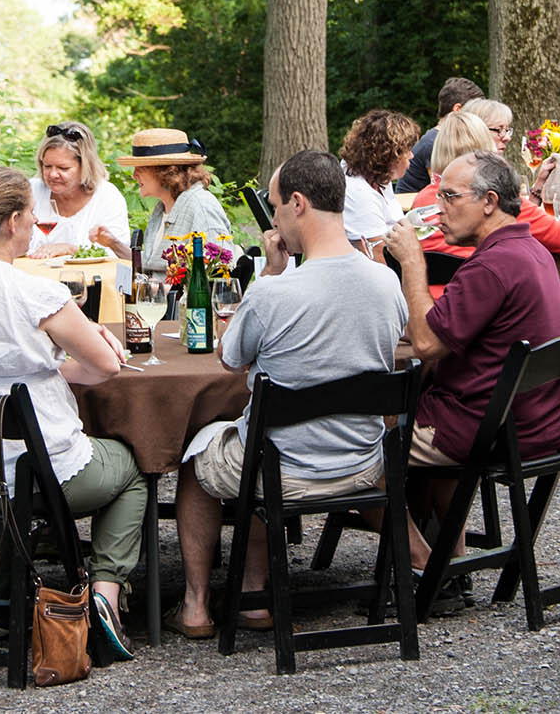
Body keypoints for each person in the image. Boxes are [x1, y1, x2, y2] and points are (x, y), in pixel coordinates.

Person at [172, 150, 408, 638]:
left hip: (285, 470)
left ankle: (197, 603)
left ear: (298, 204)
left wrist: (272, 273)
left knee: (200, 455)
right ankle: (255, 593)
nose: (274, 217)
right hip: (363, 465)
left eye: (276, 207)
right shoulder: (387, 283)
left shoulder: (274, 293)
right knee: (255, 435)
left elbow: (230, 357)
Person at [0, 166, 145, 660]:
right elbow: (106, 367)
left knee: (9, 478)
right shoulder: (33, 290)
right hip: (32, 473)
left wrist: (49, 368)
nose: (36, 219)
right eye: (31, 214)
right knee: (131, 469)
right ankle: (105, 598)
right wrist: (91, 348)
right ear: (13, 221)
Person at [389, 149, 560, 477]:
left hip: (487, 431)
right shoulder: (531, 251)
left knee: (355, 446)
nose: (438, 208)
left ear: (489, 202)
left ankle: (413, 532)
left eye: (449, 196)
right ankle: (443, 531)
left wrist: (412, 262)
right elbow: (442, 330)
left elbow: (428, 345)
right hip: (540, 425)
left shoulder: (492, 265)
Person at [409, 112, 560, 261]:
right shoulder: (496, 201)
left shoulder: (421, 202)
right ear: (485, 148)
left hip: (427, 297)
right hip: (486, 296)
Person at [113, 129, 233, 270]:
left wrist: (159, 289)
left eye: (140, 168)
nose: (134, 175)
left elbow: (218, 274)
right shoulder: (161, 210)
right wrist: (112, 243)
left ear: (166, 171)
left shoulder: (201, 207)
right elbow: (152, 265)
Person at [30, 121, 131, 257]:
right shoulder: (32, 191)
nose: (53, 174)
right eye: (47, 166)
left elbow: (119, 255)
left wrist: (70, 249)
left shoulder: (107, 197)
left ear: (85, 166)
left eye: (63, 168)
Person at [340, 109, 423, 251]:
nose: (411, 156)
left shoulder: (379, 176)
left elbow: (398, 222)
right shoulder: (358, 193)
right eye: (407, 150)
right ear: (389, 156)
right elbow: (377, 255)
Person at [394, 77, 483, 194]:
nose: (479, 118)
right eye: (475, 111)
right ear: (457, 109)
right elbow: (444, 189)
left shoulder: (439, 139)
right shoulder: (434, 142)